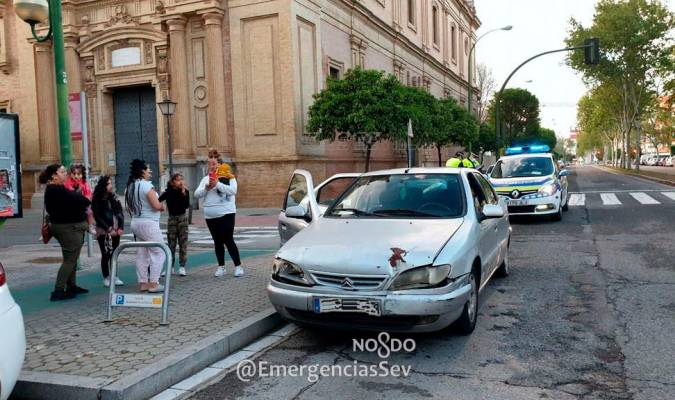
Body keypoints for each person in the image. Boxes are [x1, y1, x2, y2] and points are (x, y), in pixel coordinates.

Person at [40, 164, 91, 301]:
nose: (65, 174)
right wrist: (79, 195)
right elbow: (83, 201)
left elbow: (76, 200)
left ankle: (72, 286)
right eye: (62, 172)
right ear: (53, 176)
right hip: (68, 229)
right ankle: (58, 290)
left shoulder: (58, 189)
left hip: (68, 228)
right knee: (69, 260)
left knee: (72, 259)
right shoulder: (56, 190)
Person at [194, 149, 243, 278]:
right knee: (217, 241)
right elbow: (196, 194)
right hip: (210, 215)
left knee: (228, 239)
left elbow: (232, 191)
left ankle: (238, 266)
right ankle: (221, 267)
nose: (211, 166)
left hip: (226, 212)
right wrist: (206, 188)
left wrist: (217, 184)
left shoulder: (229, 177)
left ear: (220, 164)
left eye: (214, 164)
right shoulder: (205, 179)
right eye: (209, 164)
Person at [125, 159, 166, 293]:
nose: (150, 171)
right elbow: (155, 205)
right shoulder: (146, 186)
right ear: (142, 171)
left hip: (136, 222)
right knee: (159, 252)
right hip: (149, 223)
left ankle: (143, 283)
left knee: (142, 253)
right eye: (148, 169)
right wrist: (162, 207)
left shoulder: (130, 187)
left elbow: (130, 208)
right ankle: (154, 283)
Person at [92, 176, 125, 287]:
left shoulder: (113, 197)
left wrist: (120, 227)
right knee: (106, 254)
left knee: (115, 253)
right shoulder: (97, 198)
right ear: (103, 186)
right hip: (104, 230)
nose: (111, 185)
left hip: (115, 229)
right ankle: (106, 277)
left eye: (111, 183)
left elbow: (120, 212)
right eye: (108, 184)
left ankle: (115, 275)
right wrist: (108, 228)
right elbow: (97, 216)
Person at [158, 173, 190, 276]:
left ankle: (182, 266)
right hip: (172, 219)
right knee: (171, 244)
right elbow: (158, 200)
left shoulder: (185, 191)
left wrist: (184, 192)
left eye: (182, 179)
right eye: (178, 180)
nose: (180, 182)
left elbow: (186, 205)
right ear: (172, 182)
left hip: (182, 218)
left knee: (183, 243)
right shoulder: (168, 192)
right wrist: (160, 206)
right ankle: (170, 267)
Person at [64, 164, 97, 235]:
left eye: (78, 174)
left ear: (82, 175)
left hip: (82, 204)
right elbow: (70, 192)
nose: (76, 176)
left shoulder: (83, 183)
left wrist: (87, 199)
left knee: (90, 211)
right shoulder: (68, 182)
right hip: (71, 204)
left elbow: (88, 193)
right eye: (74, 174)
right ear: (71, 174)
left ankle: (91, 225)